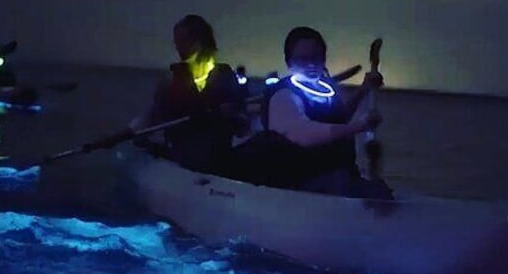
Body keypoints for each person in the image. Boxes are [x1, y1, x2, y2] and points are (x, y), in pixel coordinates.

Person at [250, 26, 393, 199]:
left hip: (339, 174)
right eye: (303, 58)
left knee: (378, 189)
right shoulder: (283, 94)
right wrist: (359, 126)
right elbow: (303, 133)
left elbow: (339, 119)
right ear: (288, 61)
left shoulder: (326, 89)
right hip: (300, 182)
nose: (311, 64)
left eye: (317, 58)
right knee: (368, 192)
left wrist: (364, 89)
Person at [111, 14, 249, 172]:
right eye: (176, 42)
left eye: (182, 41)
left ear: (199, 42)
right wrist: (121, 135)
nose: (176, 46)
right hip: (183, 158)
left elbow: (242, 126)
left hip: (216, 157)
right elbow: (152, 116)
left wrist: (232, 115)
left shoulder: (225, 77)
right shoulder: (170, 81)